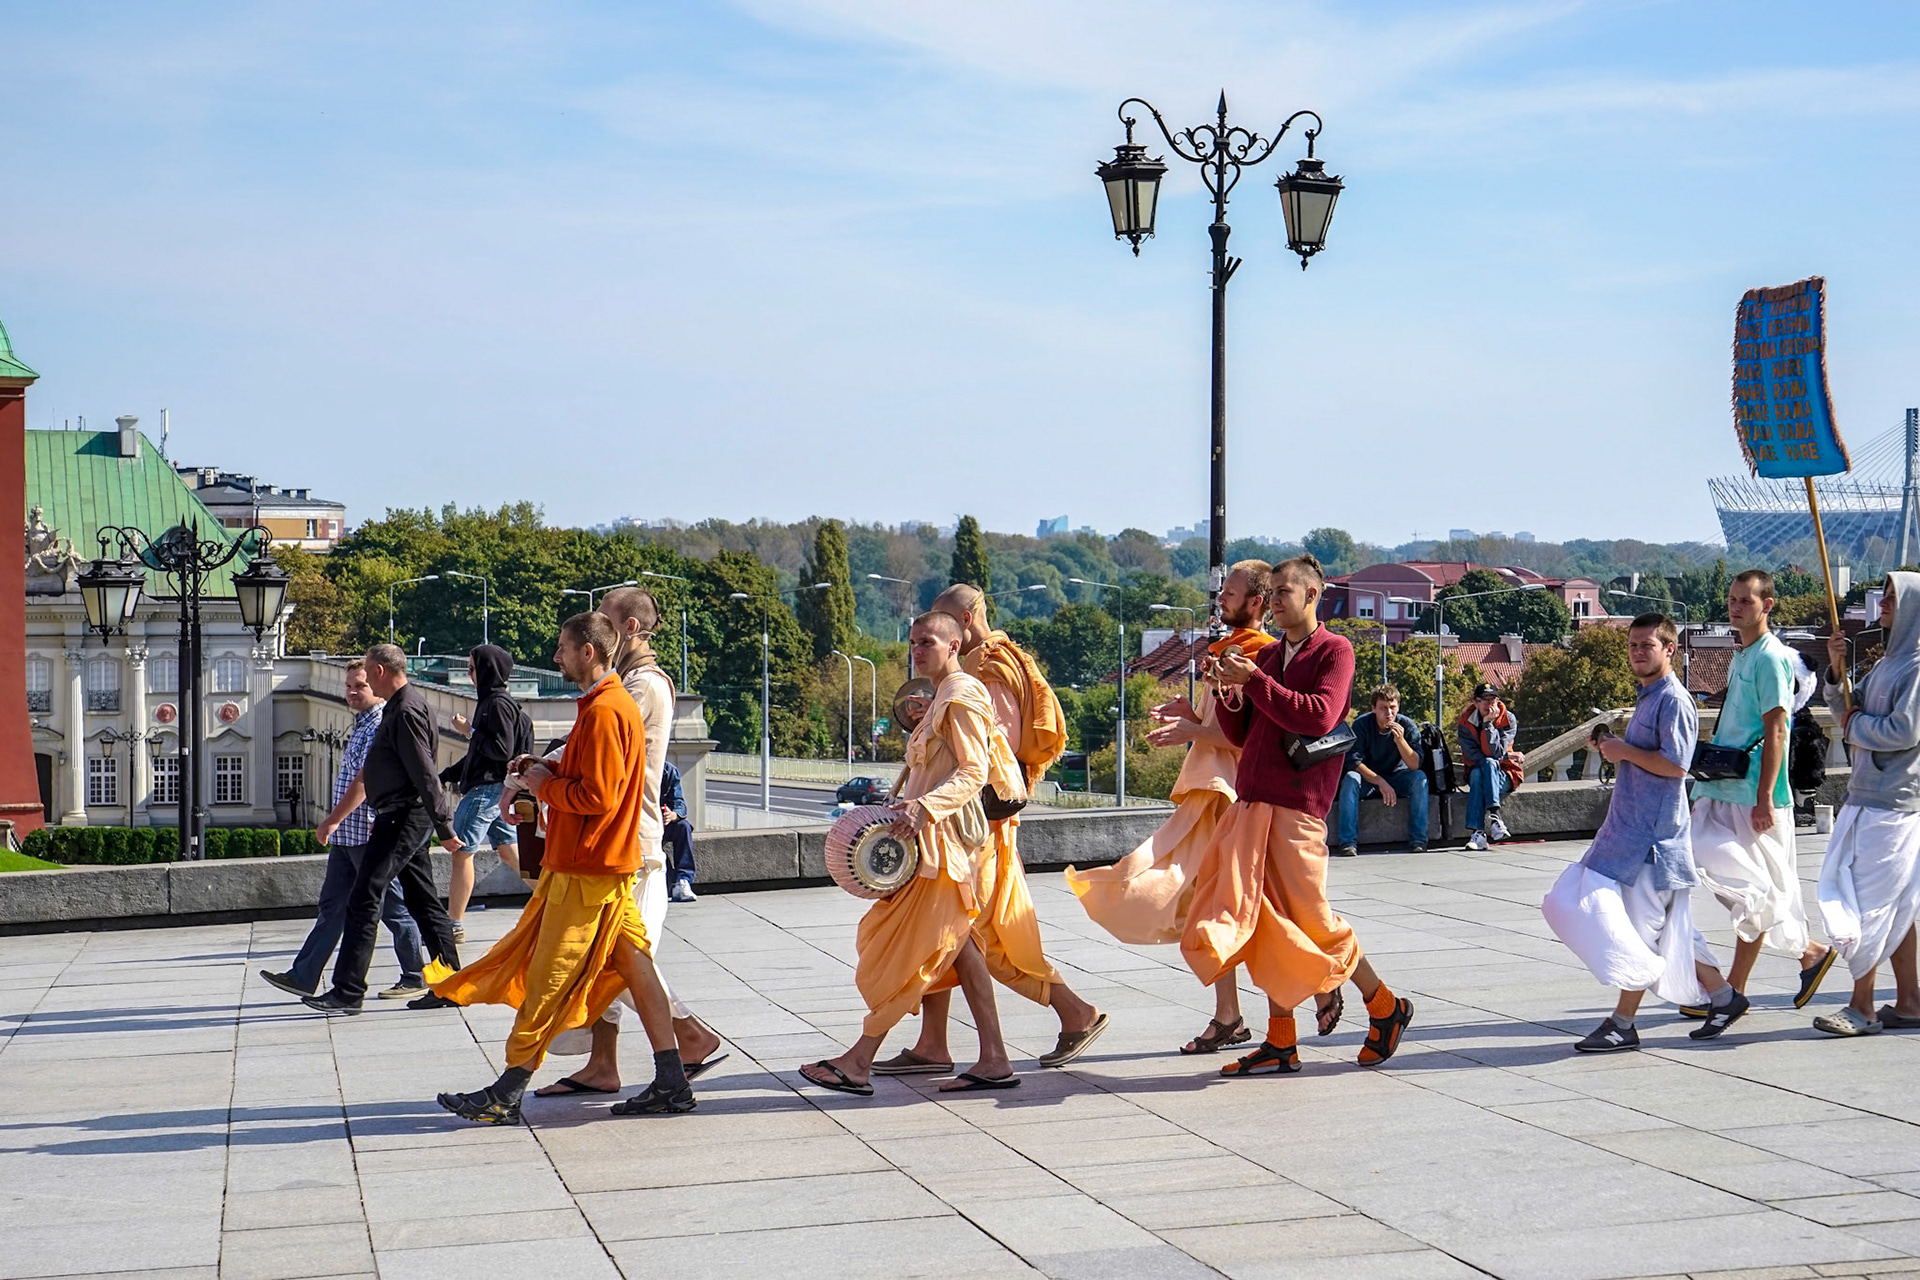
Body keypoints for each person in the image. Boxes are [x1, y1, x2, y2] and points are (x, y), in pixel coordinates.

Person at [432, 612, 692, 1122]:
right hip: (604, 867)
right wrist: (544, 767)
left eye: (563, 649)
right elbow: (594, 777)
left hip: (589, 869)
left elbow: (597, 795)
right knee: (638, 972)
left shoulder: (605, 710)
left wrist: (539, 786)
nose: (556, 657)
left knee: (550, 977)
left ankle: (507, 1091)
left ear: (588, 652)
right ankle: (672, 1081)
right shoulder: (608, 704)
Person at [1182, 554, 1415, 1076]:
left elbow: (1317, 716)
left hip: (1298, 805)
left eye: (1285, 592)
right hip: (1253, 800)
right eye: (1275, 592)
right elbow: (1244, 737)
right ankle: (1281, 1040)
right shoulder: (1267, 658)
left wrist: (1256, 683)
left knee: (1312, 921)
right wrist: (1230, 694)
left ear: (1312, 595)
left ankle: (1385, 1006)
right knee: (1265, 924)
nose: (1276, 601)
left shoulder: (1336, 651)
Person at [871, 583, 1104, 1075]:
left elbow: (991, 754)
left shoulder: (989, 670)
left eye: (941, 627)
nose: (924, 644)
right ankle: (934, 1043)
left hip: (978, 828)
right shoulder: (966, 674)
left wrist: (930, 800)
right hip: (950, 824)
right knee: (955, 935)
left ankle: (1073, 1013)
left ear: (968, 621)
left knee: (989, 937)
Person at [799, 611, 1024, 1096]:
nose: (917, 650)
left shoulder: (962, 695)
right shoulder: (941, 696)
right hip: (925, 843)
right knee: (959, 952)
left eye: (927, 642)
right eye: (913, 642)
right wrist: (905, 800)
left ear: (954, 645)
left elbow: (972, 771)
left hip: (941, 847)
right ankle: (995, 1059)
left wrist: (923, 807)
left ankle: (859, 1061)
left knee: (909, 953)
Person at [1064, 559, 1274, 1055]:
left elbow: (1246, 739)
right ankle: (1230, 1015)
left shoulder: (1258, 655)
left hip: (1230, 794)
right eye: (1222, 592)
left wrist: (1193, 730)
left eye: (1231, 593)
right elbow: (1220, 722)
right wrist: (1190, 713)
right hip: (1212, 792)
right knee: (1208, 905)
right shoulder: (1229, 651)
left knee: (1239, 904)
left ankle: (1329, 985)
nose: (1220, 600)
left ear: (1257, 604)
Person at [531, 587, 724, 1097]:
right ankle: (608, 1063)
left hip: (631, 839)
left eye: (606, 618)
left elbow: (596, 750)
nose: (597, 625)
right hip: (620, 836)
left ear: (630, 629)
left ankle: (688, 1036)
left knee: (623, 954)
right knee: (613, 952)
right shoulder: (630, 683)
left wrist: (539, 778)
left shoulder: (640, 687)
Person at [1542, 614, 1743, 1051]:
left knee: (1636, 933)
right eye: (1633, 644)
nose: (1637, 651)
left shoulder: (1673, 699)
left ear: (1669, 649)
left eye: (1647, 645)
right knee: (1667, 932)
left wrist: (1622, 751)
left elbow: (1676, 765)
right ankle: (1724, 998)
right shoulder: (1651, 696)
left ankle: (1622, 1022)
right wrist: (1617, 750)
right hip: (1632, 835)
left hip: (1651, 842)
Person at [1683, 570, 1835, 1020]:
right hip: (1724, 788)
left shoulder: (1770, 658)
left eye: (1745, 601)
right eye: (1732, 600)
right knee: (1747, 888)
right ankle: (1796, 958)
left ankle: (1737, 989)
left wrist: (1766, 797)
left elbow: (1777, 731)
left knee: (1752, 889)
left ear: (1767, 605)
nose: (1735, 607)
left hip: (1753, 796)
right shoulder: (1742, 655)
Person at [301, 644, 463, 1016]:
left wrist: (445, 826)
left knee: (363, 897)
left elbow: (425, 772)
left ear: (378, 671)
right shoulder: (406, 705)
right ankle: (450, 983)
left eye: (366, 674)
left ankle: (347, 991)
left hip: (402, 816)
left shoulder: (404, 710)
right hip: (404, 814)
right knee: (422, 902)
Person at [261, 659, 426, 1000]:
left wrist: (332, 818)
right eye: (348, 685)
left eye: (360, 686)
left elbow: (364, 783)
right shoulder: (361, 724)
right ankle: (303, 975)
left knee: (393, 909)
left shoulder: (378, 725)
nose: (351, 692)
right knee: (332, 907)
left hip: (365, 834)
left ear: (376, 687)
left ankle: (416, 974)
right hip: (346, 837)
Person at [1814, 573, 1920, 1037]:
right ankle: (1911, 1002)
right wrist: (1837, 670)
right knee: (1896, 908)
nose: (1884, 604)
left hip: (1893, 803)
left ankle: (1863, 1007)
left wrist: (1856, 727)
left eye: (1895, 599)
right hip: (1867, 796)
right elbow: (1845, 711)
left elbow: (1905, 731)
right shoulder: (1887, 665)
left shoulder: (1917, 667)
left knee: (1869, 904)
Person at [440, 644, 534, 940]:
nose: (469, 675)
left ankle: (453, 923)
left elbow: (499, 750)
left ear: (486, 670)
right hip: (498, 791)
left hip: (486, 792)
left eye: (472, 668)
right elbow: (478, 757)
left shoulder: (496, 704)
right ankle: (556, 899)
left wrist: (469, 731)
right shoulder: (496, 703)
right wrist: (445, 775)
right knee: (509, 853)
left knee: (461, 853)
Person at [1333, 684, 1430, 857]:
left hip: (1398, 777)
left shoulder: (1407, 725)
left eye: (1392, 708)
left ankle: (1419, 840)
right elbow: (1354, 762)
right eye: (1383, 708)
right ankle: (1347, 842)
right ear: (1373, 708)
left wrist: (1400, 742)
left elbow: (1415, 764)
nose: (1389, 713)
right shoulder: (1362, 724)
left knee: (1420, 778)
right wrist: (1379, 781)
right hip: (1369, 778)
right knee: (1350, 778)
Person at [1457, 682, 1523, 850]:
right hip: (1479, 771)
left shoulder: (1508, 719)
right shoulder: (1465, 722)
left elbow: (1497, 752)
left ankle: (1478, 832)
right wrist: (1502, 756)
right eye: (1484, 700)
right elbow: (1472, 755)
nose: (1489, 705)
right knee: (1480, 772)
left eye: (1492, 700)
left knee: (1485, 767)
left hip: (1505, 774)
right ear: (1475, 702)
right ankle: (1495, 817)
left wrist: (1488, 725)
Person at [660, 760, 696, 902]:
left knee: (683, 827)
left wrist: (673, 815)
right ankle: (670, 881)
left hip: (663, 822)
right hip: (641, 825)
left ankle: (683, 880)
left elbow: (679, 803)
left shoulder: (668, 770)